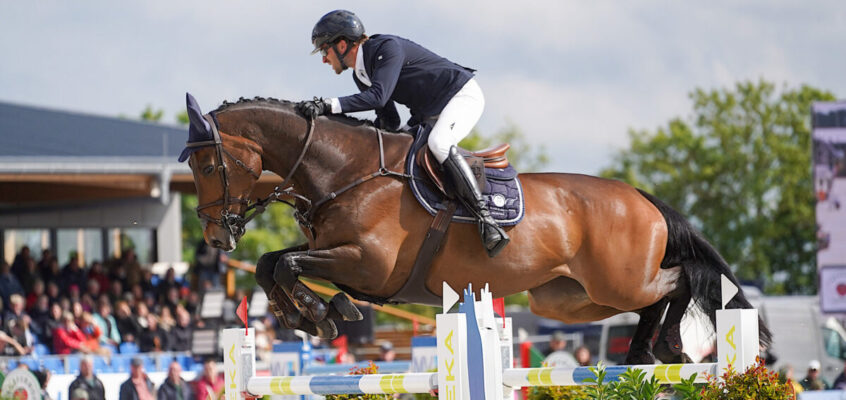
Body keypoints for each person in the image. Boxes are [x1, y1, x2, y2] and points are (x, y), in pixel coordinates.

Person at [298, 9, 508, 257]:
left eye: (324, 51)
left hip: (460, 96)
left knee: (439, 143)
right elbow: (390, 120)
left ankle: (486, 220)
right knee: (398, 151)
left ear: (342, 45)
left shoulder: (386, 48)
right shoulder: (361, 74)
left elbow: (378, 97)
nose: (324, 59)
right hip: (429, 113)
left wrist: (327, 105)